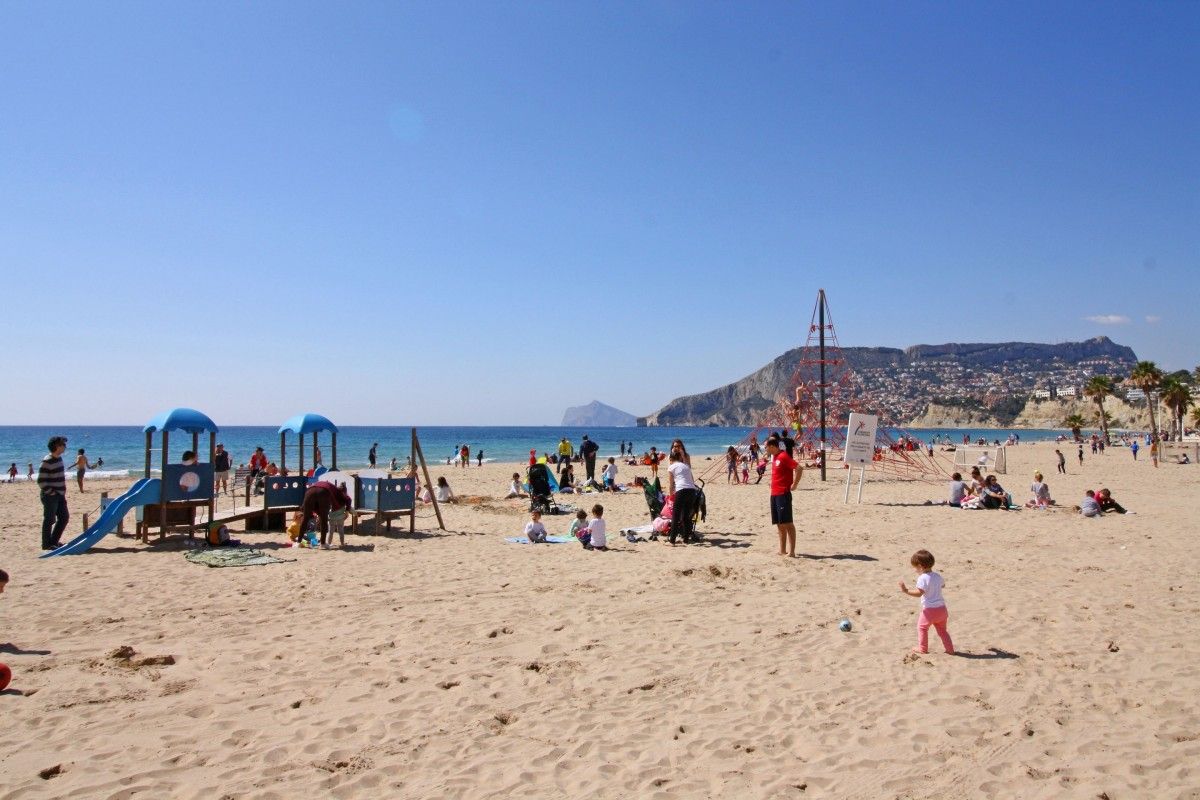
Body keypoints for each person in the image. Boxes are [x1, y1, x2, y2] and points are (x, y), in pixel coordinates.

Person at [898, 549, 954, 655]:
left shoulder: (922, 578)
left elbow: (919, 593)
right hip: (942, 609)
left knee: (922, 628)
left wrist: (906, 590)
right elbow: (943, 585)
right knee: (942, 631)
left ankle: (923, 649)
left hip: (929, 611)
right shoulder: (937, 576)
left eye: (915, 568)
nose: (915, 570)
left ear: (920, 566)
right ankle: (950, 649)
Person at [765, 435, 802, 556]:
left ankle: (792, 551)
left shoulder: (783, 456)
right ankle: (782, 550)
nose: (765, 449)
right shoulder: (775, 457)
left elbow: (799, 468)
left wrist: (795, 484)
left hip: (783, 493)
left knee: (787, 522)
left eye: (766, 447)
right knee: (779, 523)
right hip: (774, 493)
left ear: (772, 446)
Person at [298, 480, 352, 549]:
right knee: (324, 519)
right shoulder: (338, 492)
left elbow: (307, 507)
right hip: (323, 491)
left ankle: (298, 542)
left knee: (305, 519)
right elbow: (348, 499)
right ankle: (322, 544)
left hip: (310, 490)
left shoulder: (331, 487)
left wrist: (309, 511)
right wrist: (347, 511)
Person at [38, 435, 70, 550]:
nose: (65, 447)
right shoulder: (47, 461)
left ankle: (54, 542)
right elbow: (41, 481)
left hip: (60, 495)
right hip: (50, 496)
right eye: (63, 445)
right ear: (57, 446)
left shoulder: (59, 459)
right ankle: (46, 544)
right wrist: (51, 492)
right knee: (49, 520)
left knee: (64, 518)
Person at [666, 450, 699, 546]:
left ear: (671, 459)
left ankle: (672, 540)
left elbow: (671, 484)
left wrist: (670, 495)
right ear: (680, 458)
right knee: (686, 517)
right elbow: (691, 479)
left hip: (681, 490)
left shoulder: (671, 467)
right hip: (692, 491)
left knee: (675, 516)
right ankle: (686, 540)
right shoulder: (686, 466)